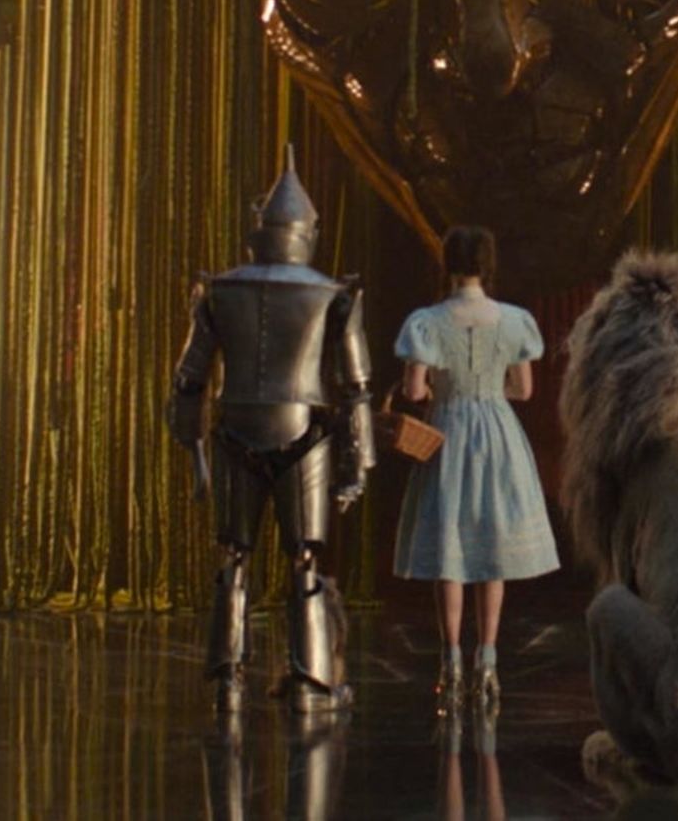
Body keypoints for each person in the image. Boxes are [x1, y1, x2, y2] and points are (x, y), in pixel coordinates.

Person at [168, 146, 376, 716]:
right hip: (303, 432)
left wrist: (195, 453)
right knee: (303, 557)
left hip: (235, 429)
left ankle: (228, 673)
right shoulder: (331, 294)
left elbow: (188, 379)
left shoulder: (221, 291)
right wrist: (358, 465)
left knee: (233, 554)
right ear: (308, 233)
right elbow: (356, 387)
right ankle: (311, 677)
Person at [393, 225, 561, 709]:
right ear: (487, 265)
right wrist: (489, 392)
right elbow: (524, 390)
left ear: (448, 264)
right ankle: (487, 661)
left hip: (447, 431)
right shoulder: (513, 320)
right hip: (498, 433)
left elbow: (414, 391)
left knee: (451, 547)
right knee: (493, 547)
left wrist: (444, 391)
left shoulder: (427, 322)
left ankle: (451, 662)